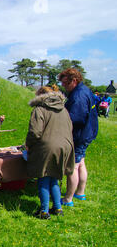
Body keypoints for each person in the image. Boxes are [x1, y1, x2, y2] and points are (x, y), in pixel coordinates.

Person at [25, 85, 75, 219]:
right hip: (65, 145)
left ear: (39, 96)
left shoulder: (40, 109)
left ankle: (44, 211)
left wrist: (27, 145)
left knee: (43, 178)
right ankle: (58, 208)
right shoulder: (63, 109)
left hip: (47, 147)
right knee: (54, 178)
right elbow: (70, 127)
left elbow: (35, 132)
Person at [59, 68, 98, 206]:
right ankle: (80, 192)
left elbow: (76, 118)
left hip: (79, 135)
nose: (63, 86)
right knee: (81, 163)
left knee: (72, 167)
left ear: (74, 80)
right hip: (87, 133)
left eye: (65, 83)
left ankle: (68, 198)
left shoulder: (78, 95)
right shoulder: (85, 90)